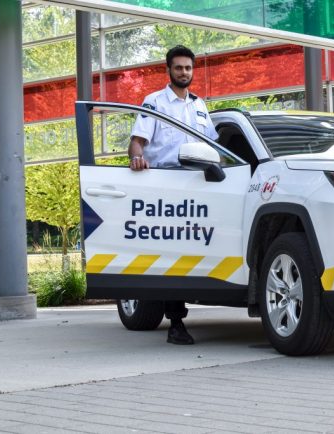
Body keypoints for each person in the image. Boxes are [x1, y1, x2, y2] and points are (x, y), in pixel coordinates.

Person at [128, 45, 219, 345]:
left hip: (199, 184)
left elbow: (213, 147)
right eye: (179, 67)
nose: (184, 72)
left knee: (196, 250)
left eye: (188, 68)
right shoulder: (154, 102)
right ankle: (176, 323)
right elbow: (137, 142)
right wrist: (136, 159)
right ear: (168, 70)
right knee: (174, 256)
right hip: (166, 184)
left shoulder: (200, 106)